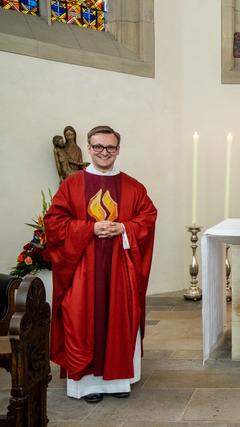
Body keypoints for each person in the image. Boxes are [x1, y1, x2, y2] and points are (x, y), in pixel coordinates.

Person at [44, 125, 157, 403]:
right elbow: (54, 223)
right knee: (82, 319)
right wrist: (89, 230)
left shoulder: (133, 186)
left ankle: (118, 379)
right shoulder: (72, 184)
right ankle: (87, 383)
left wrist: (124, 228)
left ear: (118, 150)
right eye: (98, 147)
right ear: (89, 147)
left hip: (121, 268)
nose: (104, 153)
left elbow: (148, 217)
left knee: (120, 317)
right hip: (83, 270)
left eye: (110, 147)